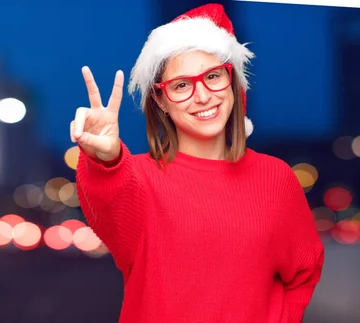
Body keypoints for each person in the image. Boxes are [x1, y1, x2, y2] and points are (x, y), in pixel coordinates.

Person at [70, 3, 324, 323]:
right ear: (160, 100)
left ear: (231, 83)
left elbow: (304, 272)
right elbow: (108, 202)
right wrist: (104, 158)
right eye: (181, 85)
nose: (202, 96)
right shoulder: (137, 178)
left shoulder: (276, 178)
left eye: (213, 76)